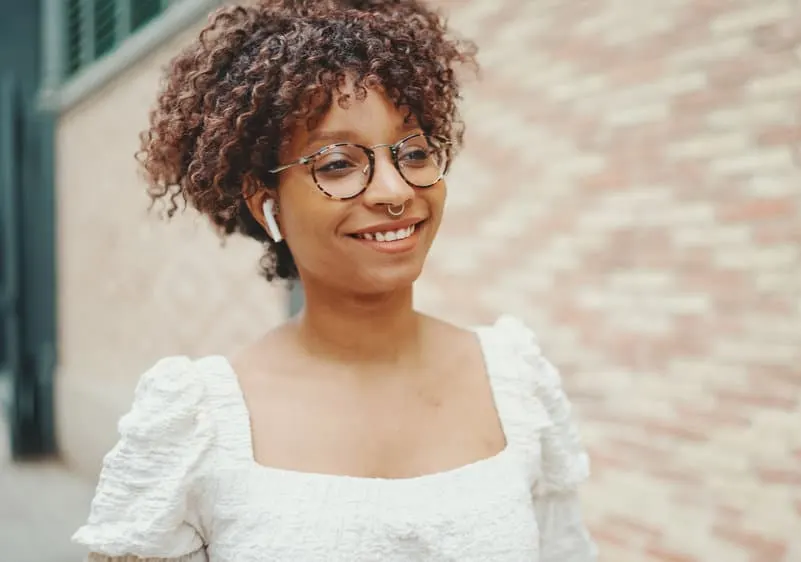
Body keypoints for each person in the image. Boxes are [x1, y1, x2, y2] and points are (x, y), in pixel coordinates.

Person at [71, 1, 597, 561]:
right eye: (338, 164)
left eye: (414, 152)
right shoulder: (201, 423)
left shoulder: (515, 383)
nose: (395, 191)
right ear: (265, 201)